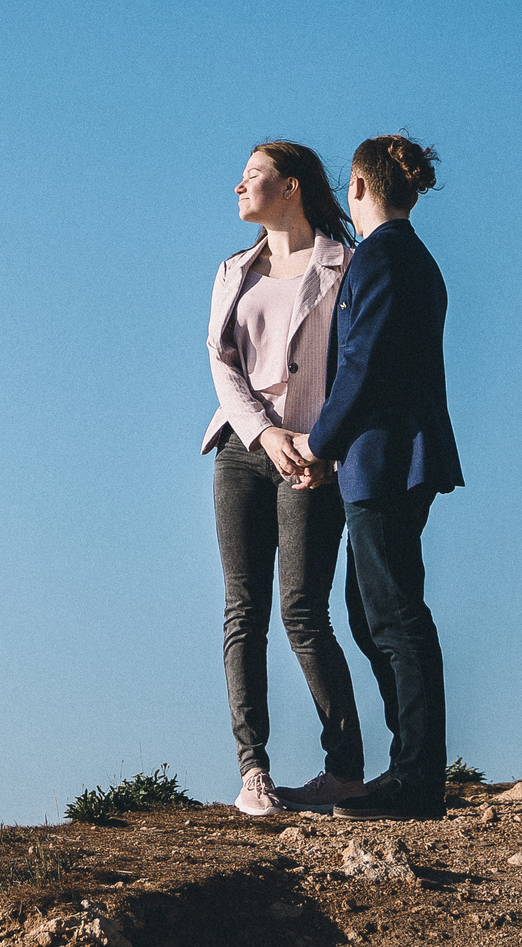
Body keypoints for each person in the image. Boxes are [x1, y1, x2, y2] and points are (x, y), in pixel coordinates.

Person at [291, 133, 464, 822]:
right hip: (388, 458)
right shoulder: (409, 257)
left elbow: (363, 365)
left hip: (386, 458)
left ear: (357, 188)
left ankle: (416, 779)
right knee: (374, 615)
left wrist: (320, 441)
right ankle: (408, 766)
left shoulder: (385, 256)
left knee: (393, 616)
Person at [202, 142, 370, 818]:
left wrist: (317, 440)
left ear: (291, 186)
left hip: (312, 456)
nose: (238, 183)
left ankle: (345, 769)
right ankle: (255, 771)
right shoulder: (231, 270)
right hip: (244, 451)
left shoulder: (344, 264)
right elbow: (221, 361)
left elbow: (356, 363)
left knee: (303, 612)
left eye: (253, 175)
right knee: (244, 610)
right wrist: (264, 433)